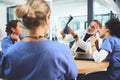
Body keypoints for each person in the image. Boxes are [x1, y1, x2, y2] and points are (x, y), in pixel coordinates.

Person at [0, 0, 78, 80]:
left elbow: (4, 75)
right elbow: (72, 75)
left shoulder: (10, 52)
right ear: (47, 18)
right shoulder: (62, 50)